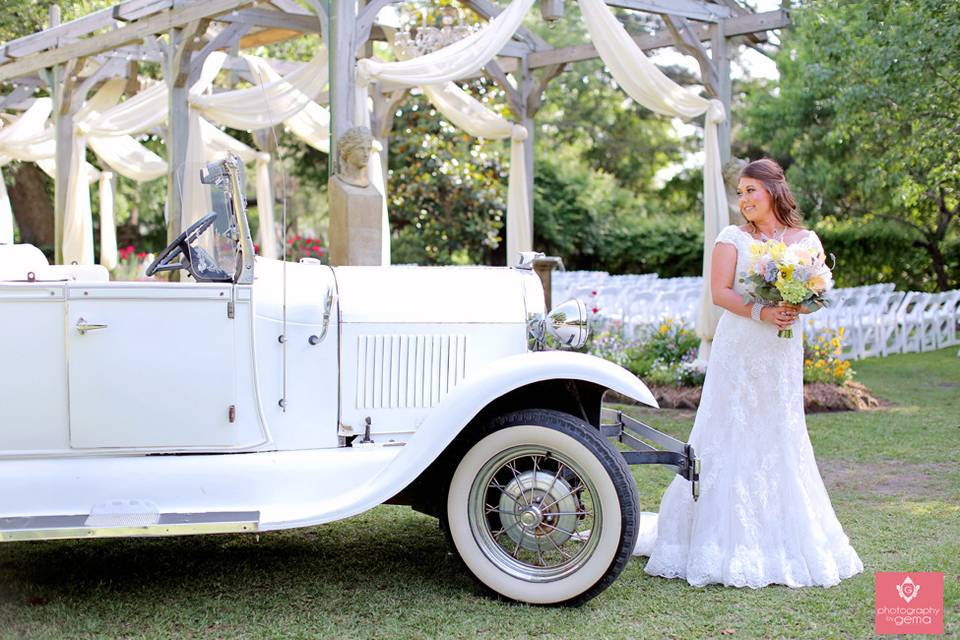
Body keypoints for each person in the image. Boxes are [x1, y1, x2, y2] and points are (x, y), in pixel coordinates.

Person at [634, 158, 864, 588]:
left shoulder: (806, 240)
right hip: (739, 346)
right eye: (739, 193)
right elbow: (720, 293)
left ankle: (782, 532)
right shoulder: (732, 238)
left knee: (780, 427)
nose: (743, 201)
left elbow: (818, 294)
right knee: (729, 427)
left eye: (750, 191)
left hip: (780, 350)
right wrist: (762, 309)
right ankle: (710, 538)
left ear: (774, 191)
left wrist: (796, 306)